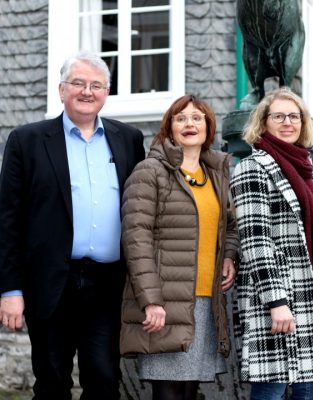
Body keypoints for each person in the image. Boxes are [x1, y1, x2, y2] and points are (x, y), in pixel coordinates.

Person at [0, 50, 145, 400]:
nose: (87, 91)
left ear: (106, 93)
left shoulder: (128, 139)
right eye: (78, 83)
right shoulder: (27, 140)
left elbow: (141, 211)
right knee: (51, 382)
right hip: (50, 283)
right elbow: (7, 220)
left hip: (107, 285)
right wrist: (10, 291)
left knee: (105, 379)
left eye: (96, 85)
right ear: (61, 89)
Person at [119, 94, 240, 400]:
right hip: (166, 300)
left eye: (197, 118)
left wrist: (228, 255)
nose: (189, 124)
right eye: (181, 118)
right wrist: (151, 300)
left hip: (205, 301)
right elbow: (136, 238)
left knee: (189, 389)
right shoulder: (150, 171)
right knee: (168, 390)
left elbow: (229, 224)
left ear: (208, 127)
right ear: (169, 127)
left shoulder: (216, 174)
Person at [229, 87, 313, 400]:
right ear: (263, 122)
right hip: (277, 300)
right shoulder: (251, 168)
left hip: (310, 297)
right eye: (278, 116)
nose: (287, 122)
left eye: (294, 116)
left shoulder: (307, 171)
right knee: (272, 388)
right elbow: (255, 241)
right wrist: (276, 301)